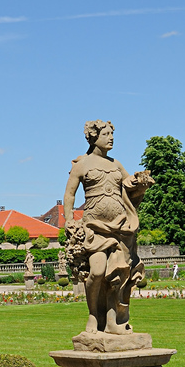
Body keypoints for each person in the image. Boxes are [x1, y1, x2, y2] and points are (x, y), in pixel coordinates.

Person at [63, 120, 154, 335]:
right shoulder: (82, 164)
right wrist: (69, 220)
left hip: (120, 228)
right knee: (96, 271)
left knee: (119, 275)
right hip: (94, 228)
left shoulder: (116, 164)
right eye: (106, 134)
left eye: (112, 134)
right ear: (94, 137)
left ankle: (114, 322)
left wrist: (140, 182)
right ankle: (94, 316)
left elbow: (129, 184)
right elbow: (69, 194)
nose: (111, 138)